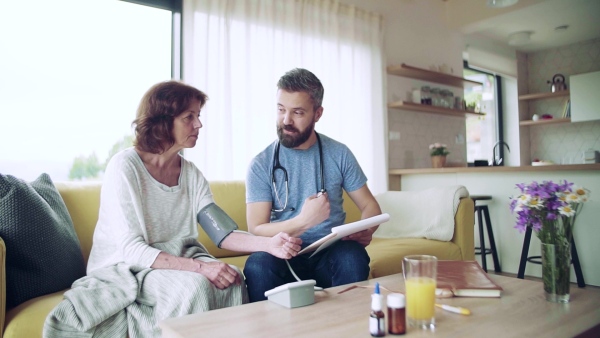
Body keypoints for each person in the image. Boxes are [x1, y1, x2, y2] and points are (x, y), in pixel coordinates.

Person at [44, 80, 301, 337]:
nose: (199, 124)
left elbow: (221, 232)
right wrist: (202, 268)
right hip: (127, 266)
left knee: (232, 279)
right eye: (189, 117)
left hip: (175, 258)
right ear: (163, 120)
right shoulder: (124, 167)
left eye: (198, 116)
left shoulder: (191, 175)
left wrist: (270, 244)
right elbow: (132, 249)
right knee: (197, 287)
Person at [243, 68, 382, 302]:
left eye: (297, 112)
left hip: (330, 252)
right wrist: (303, 221)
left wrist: (364, 230)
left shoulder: (339, 154)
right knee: (258, 264)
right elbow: (256, 228)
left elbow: (370, 206)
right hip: (283, 253)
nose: (286, 120)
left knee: (352, 257)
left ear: (318, 113)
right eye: (281, 110)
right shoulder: (261, 163)